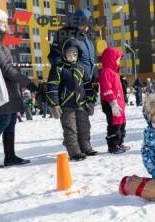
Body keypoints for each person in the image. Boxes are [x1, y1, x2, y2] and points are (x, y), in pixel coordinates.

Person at [0, 7, 36, 169]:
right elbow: (4, 67)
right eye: (2, 21)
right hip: (0, 86)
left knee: (10, 119)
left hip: (7, 86)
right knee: (4, 119)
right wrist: (27, 82)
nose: (6, 24)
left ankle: (10, 155)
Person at [48, 9, 97, 145]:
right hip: (70, 83)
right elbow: (54, 57)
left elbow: (89, 60)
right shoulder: (63, 34)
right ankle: (72, 144)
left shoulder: (87, 37)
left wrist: (92, 76)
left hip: (84, 82)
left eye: (88, 25)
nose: (86, 27)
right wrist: (67, 72)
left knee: (83, 119)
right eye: (82, 24)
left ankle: (82, 144)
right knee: (70, 119)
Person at [47, 38, 97, 161]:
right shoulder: (58, 68)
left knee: (84, 127)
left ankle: (86, 148)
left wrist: (90, 101)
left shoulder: (81, 68)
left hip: (81, 104)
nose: (73, 55)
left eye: (75, 53)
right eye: (70, 52)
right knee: (70, 129)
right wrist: (54, 104)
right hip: (66, 105)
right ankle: (74, 152)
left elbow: (87, 85)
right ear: (64, 53)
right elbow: (52, 86)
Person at [99, 48, 130, 154]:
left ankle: (119, 143)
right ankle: (113, 145)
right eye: (117, 59)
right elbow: (106, 88)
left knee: (121, 123)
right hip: (110, 103)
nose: (118, 62)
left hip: (119, 104)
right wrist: (112, 102)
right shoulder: (106, 72)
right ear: (110, 59)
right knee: (114, 124)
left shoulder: (115, 73)